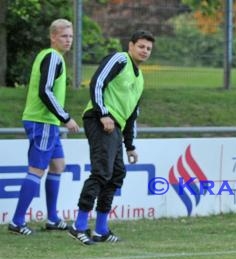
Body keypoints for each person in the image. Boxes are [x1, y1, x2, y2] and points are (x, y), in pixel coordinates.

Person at [68, 30, 155, 245]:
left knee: (116, 174)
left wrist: (130, 146)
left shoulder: (140, 78)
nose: (145, 51)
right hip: (100, 120)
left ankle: (101, 230)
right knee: (101, 172)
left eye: (149, 49)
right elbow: (97, 83)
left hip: (116, 126)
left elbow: (132, 114)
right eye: (141, 46)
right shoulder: (119, 59)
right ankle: (78, 226)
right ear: (131, 45)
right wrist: (103, 113)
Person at [8, 19, 80, 236]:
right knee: (37, 169)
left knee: (58, 165)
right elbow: (45, 91)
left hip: (48, 123)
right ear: (53, 37)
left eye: (70, 36)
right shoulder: (52, 57)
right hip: (43, 121)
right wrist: (66, 117)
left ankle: (52, 218)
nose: (68, 40)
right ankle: (17, 221)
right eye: (64, 36)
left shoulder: (51, 57)